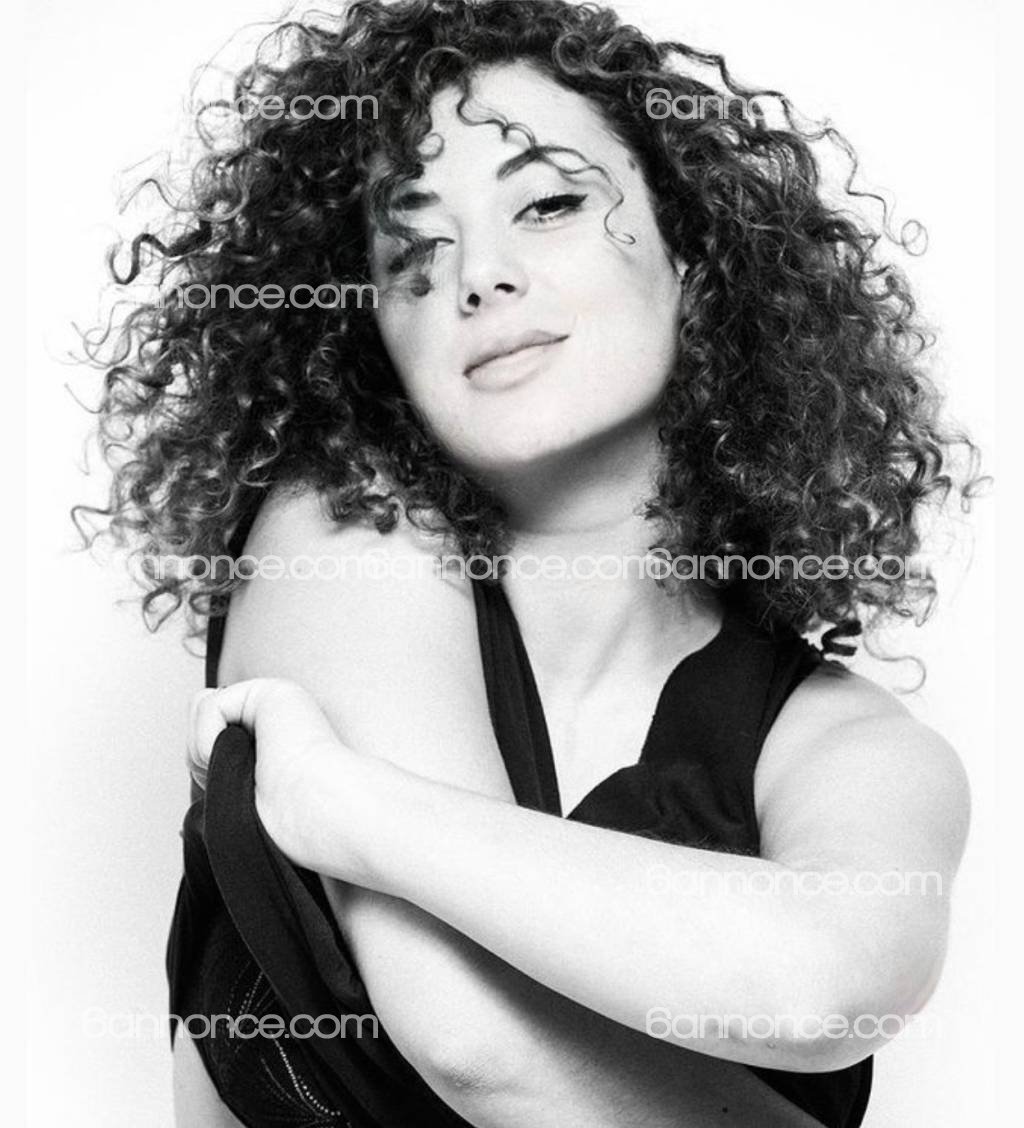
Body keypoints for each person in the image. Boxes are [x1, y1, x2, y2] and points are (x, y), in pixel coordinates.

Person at [75, 1, 980, 1124]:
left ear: (695, 257)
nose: (479, 276)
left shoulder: (852, 745)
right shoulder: (339, 543)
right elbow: (474, 1043)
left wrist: (353, 811)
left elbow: (825, 987)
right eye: (413, 251)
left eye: (548, 204)